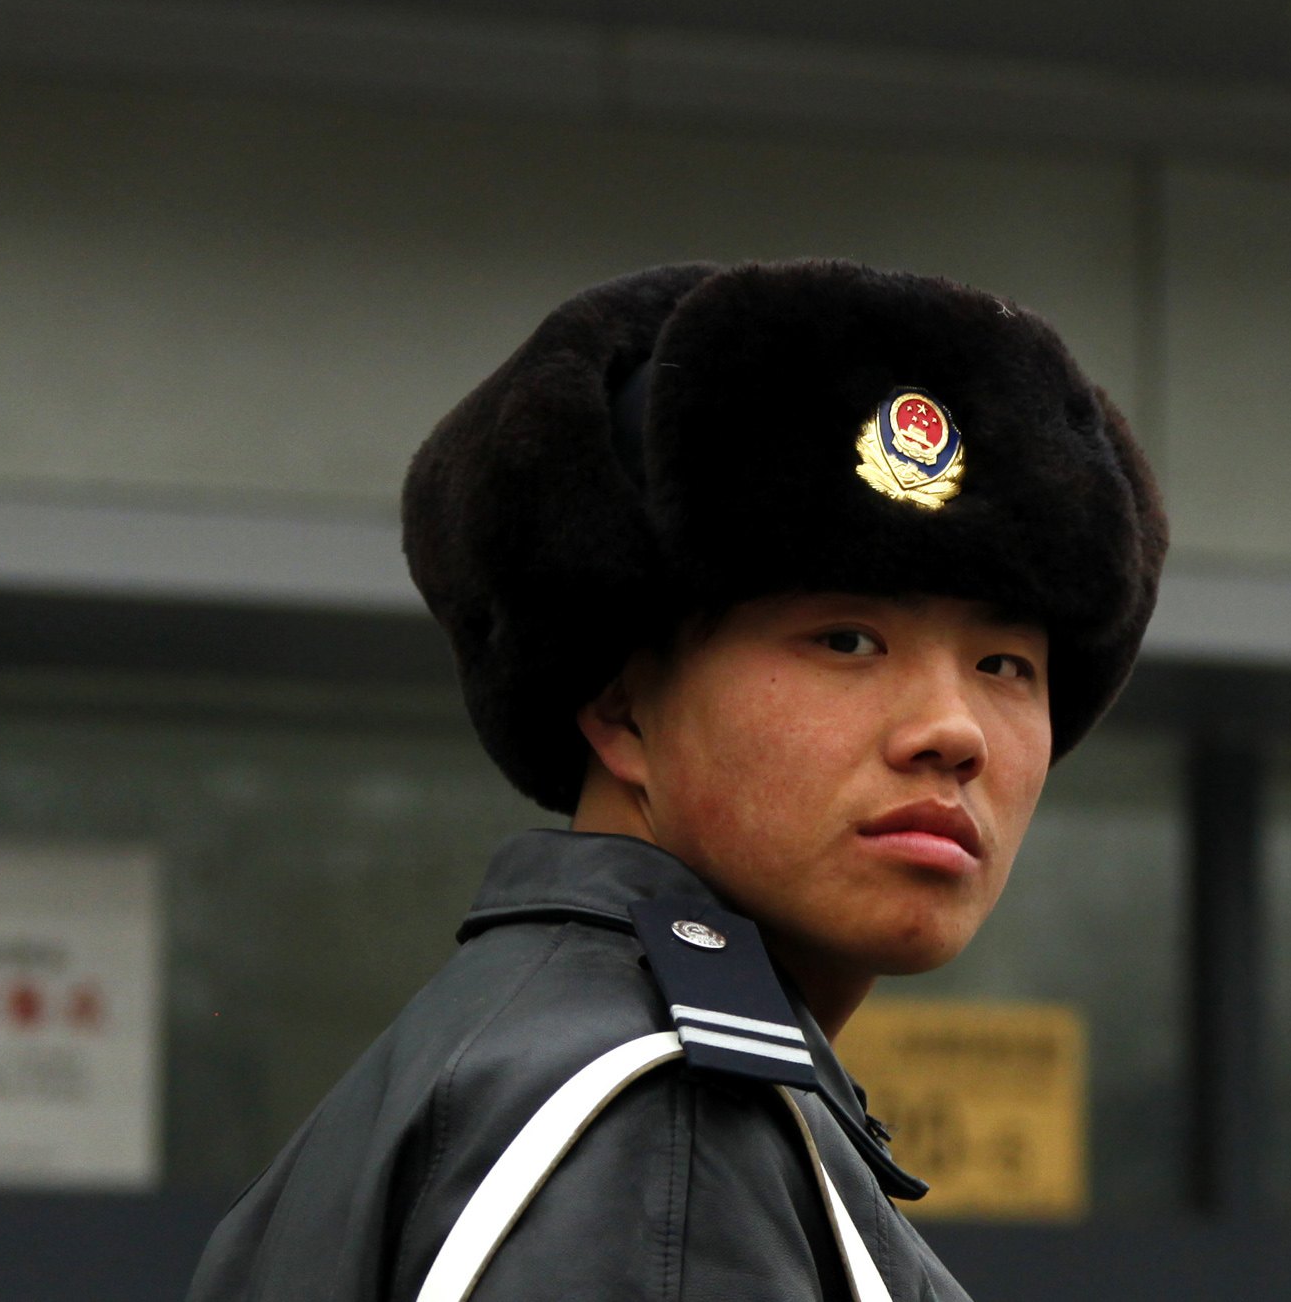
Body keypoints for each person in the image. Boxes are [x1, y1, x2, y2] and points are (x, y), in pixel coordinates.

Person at [188, 258, 1166, 1302]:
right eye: (846, 639)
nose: (953, 731)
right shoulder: (662, 1123)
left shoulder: (492, 1071)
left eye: (1004, 665)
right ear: (619, 703)